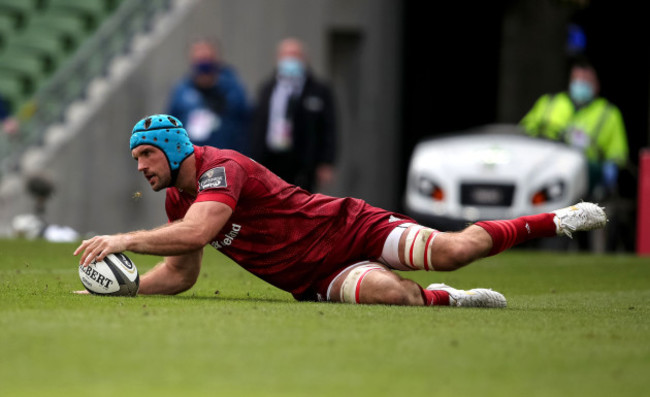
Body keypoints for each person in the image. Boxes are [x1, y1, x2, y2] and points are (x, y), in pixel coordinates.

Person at [73, 114, 608, 308]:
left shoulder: (221, 168)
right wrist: (125, 287)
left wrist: (121, 241)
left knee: (453, 249)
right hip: (314, 278)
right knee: (391, 295)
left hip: (347, 226)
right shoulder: (175, 198)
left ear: (172, 147)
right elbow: (182, 270)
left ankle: (554, 219)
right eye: (136, 158)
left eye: (145, 154)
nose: (140, 166)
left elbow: (200, 230)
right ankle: (447, 302)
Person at [520, 57, 629, 200]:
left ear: (596, 84)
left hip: (584, 176)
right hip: (543, 166)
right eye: (577, 79)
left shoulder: (608, 113)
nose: (580, 84)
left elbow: (617, 155)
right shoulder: (549, 102)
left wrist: (610, 169)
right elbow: (522, 133)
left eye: (586, 80)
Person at [250, 37, 337, 192]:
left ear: (304, 59)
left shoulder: (318, 90)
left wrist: (326, 161)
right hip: (271, 157)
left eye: (295, 55)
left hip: (302, 161)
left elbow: (328, 128)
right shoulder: (268, 88)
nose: (290, 60)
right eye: (286, 55)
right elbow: (258, 125)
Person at [167, 38, 251, 154]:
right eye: (199, 61)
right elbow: (171, 126)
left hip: (226, 157)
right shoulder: (182, 90)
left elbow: (247, 123)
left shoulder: (232, 88)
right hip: (192, 158)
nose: (203, 67)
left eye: (207, 60)